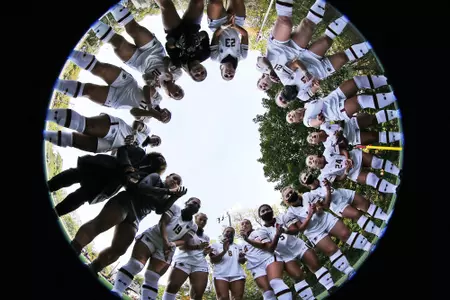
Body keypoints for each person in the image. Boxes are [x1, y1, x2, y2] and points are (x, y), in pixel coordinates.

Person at [70, 173, 188, 276]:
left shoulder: (166, 197)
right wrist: (168, 191)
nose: (175, 181)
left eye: (178, 182)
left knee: (120, 248)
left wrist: (174, 197)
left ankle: (94, 267)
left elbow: (160, 210)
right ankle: (75, 247)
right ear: (167, 177)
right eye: (174, 178)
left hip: (136, 217)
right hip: (126, 202)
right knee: (100, 224)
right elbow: (143, 187)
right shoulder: (155, 178)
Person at [260, 0, 371, 103]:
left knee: (309, 29)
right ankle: (367, 44)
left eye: (281, 98)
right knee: (338, 53)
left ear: (279, 92)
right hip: (320, 69)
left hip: (304, 56)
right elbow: (315, 87)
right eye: (285, 101)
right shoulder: (302, 96)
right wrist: (316, 85)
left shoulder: (275, 74)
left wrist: (304, 71)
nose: (284, 98)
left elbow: (293, 62)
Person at [111, 198, 201, 300]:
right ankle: (117, 291)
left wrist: (172, 244)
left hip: (167, 247)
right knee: (136, 264)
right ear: (187, 202)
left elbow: (184, 241)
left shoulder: (193, 226)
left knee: (152, 276)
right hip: (153, 237)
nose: (196, 206)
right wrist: (166, 241)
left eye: (198, 206)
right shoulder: (175, 208)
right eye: (194, 203)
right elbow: (163, 222)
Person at [91, 4, 185, 100]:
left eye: (176, 94)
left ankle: (95, 26)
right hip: (153, 50)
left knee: (118, 44)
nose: (177, 91)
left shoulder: (156, 89)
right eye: (180, 91)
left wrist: (150, 81)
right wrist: (166, 69)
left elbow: (145, 76)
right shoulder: (177, 74)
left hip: (138, 62)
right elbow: (166, 59)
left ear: (169, 95)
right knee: (134, 29)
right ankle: (115, 7)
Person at [54, 50, 172, 124]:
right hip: (127, 84)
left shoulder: (147, 119)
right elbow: (147, 88)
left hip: (117, 100)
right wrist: (150, 106)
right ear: (166, 110)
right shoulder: (158, 100)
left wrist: (151, 113)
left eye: (164, 119)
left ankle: (56, 84)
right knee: (100, 68)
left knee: (88, 90)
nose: (164, 116)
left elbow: (133, 111)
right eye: (167, 115)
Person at [48, 145, 167, 216]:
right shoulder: (140, 152)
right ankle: (48, 186)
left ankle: (55, 213)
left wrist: (131, 180)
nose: (160, 160)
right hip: (101, 166)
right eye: (160, 157)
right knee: (72, 175)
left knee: (79, 197)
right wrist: (127, 166)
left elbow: (135, 187)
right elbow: (123, 149)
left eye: (161, 163)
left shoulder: (147, 176)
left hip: (107, 185)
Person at [281, 186, 372, 277]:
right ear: (286, 201)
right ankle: (348, 270)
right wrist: (309, 215)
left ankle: (368, 246)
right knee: (332, 250)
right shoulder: (290, 214)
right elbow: (301, 229)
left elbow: (321, 208)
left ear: (294, 190)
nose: (290, 195)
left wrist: (317, 209)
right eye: (287, 195)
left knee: (346, 234)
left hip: (325, 219)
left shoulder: (307, 195)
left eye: (291, 191)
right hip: (313, 232)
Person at [256, 204, 336, 297]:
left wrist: (285, 231)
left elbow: (295, 230)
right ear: (260, 215)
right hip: (284, 255)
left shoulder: (282, 217)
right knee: (298, 276)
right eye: (263, 211)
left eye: (267, 209)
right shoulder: (261, 231)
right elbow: (270, 248)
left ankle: (331, 287)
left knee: (315, 265)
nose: (266, 212)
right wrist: (277, 235)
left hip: (298, 246)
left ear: (272, 210)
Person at [282, 76, 396, 129]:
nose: (291, 116)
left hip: (333, 97)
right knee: (360, 100)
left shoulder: (306, 104)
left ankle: (386, 79)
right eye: (291, 119)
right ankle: (393, 96)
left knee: (355, 81)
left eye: (289, 115)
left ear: (291, 111)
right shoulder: (306, 122)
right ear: (297, 121)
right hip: (336, 110)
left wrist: (315, 86)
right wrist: (318, 120)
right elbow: (314, 122)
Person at [299, 172, 389, 236]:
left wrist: (346, 171)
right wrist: (327, 189)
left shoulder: (322, 176)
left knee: (366, 204)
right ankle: (379, 232)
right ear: (304, 184)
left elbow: (339, 178)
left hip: (342, 193)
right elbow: (326, 206)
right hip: (337, 205)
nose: (307, 177)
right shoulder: (312, 194)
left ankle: (386, 217)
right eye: (305, 178)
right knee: (356, 214)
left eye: (306, 174)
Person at [44, 108, 161, 153]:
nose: (156, 142)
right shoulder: (147, 132)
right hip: (117, 129)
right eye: (158, 140)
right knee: (85, 125)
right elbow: (137, 123)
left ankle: (44, 135)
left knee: (74, 141)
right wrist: (135, 134)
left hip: (110, 146)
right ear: (155, 135)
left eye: (157, 144)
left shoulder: (141, 152)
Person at [154, 0, 210, 82]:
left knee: (166, 5)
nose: (199, 71)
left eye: (196, 75)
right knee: (198, 2)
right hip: (192, 26)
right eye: (203, 72)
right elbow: (204, 34)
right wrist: (198, 38)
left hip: (173, 31)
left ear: (190, 74)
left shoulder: (178, 63)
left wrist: (177, 44)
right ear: (204, 68)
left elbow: (168, 46)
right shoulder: (205, 54)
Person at [305, 145, 400, 194]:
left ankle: (399, 172)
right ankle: (395, 189)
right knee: (371, 179)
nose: (312, 161)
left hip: (355, 156)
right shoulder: (324, 175)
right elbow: (339, 179)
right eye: (310, 162)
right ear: (312, 168)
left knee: (376, 162)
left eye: (311, 158)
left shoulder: (327, 151)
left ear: (314, 155)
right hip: (352, 172)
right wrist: (346, 171)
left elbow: (342, 150)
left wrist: (347, 158)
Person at [239, 218, 293, 300]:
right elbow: (243, 260)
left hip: (268, 259)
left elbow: (262, 245)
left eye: (247, 223)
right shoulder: (241, 244)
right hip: (256, 267)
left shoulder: (257, 232)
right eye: (242, 224)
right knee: (268, 293)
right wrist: (242, 258)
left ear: (251, 225)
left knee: (275, 282)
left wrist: (247, 239)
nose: (244, 225)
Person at [161, 213, 211, 300]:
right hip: (184, 260)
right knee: (172, 286)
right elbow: (181, 246)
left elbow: (202, 252)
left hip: (200, 264)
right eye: (201, 219)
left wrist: (205, 252)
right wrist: (198, 246)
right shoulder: (186, 229)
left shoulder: (206, 237)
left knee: (198, 294)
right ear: (195, 219)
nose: (203, 222)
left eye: (205, 221)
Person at [302, 110, 402, 149]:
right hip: (353, 138)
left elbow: (339, 118)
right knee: (375, 137)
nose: (312, 137)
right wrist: (341, 139)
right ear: (315, 143)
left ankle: (397, 113)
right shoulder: (328, 146)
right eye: (311, 140)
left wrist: (340, 130)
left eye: (311, 136)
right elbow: (345, 146)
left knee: (372, 119)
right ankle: (400, 136)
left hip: (351, 123)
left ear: (313, 132)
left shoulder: (323, 124)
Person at [207, 0, 248, 81]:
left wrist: (224, 26)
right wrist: (234, 26)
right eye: (231, 76)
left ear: (221, 70)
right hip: (236, 24)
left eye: (225, 75)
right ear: (235, 72)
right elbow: (245, 35)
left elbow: (216, 35)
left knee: (215, 3)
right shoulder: (242, 56)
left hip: (218, 26)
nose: (229, 74)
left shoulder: (215, 57)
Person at [209, 227, 246, 300]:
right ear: (223, 233)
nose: (230, 233)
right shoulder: (215, 245)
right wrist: (224, 251)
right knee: (223, 298)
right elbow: (213, 260)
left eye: (232, 232)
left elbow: (242, 262)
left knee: (238, 298)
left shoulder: (238, 246)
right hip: (220, 275)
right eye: (228, 231)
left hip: (237, 274)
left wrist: (243, 258)